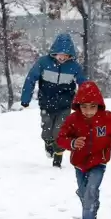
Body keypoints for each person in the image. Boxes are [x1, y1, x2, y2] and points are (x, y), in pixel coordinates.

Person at [56, 81, 111, 219]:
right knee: (84, 192)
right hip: (79, 163)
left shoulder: (108, 119)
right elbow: (61, 138)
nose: (88, 111)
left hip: (99, 161)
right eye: (84, 107)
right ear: (78, 105)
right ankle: (92, 205)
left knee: (90, 190)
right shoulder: (73, 119)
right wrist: (72, 143)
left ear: (99, 105)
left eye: (92, 107)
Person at [21, 33, 86, 168]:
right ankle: (48, 143)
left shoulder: (74, 67)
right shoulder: (43, 63)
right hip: (46, 103)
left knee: (60, 131)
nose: (62, 57)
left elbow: (84, 84)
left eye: (66, 55)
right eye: (60, 54)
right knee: (47, 130)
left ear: (70, 55)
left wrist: (86, 101)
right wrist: (25, 98)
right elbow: (31, 79)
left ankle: (58, 156)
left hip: (65, 105)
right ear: (54, 52)